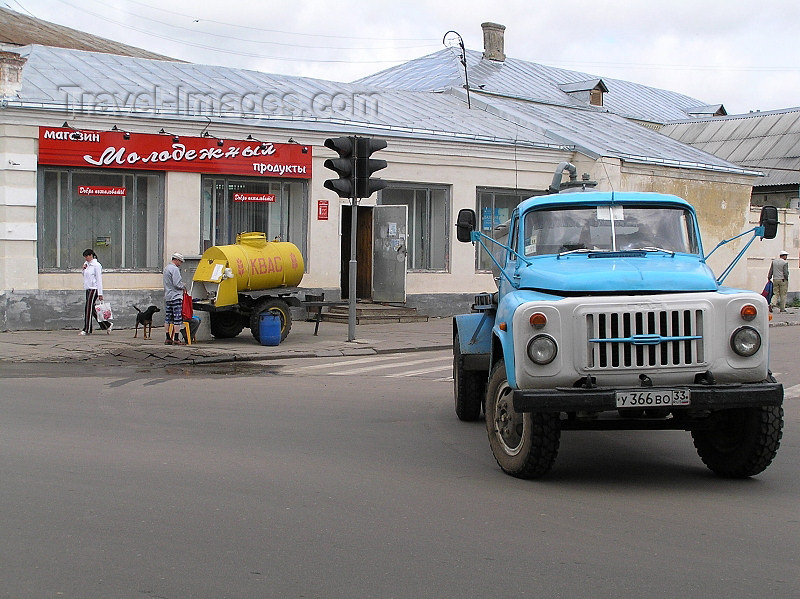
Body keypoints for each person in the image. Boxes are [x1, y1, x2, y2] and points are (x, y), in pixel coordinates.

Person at [80, 249, 111, 335]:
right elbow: (85, 276)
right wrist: (83, 269)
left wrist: (100, 293)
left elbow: (99, 279)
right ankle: (107, 324)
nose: (86, 258)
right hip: (88, 288)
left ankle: (87, 329)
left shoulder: (97, 265)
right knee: (92, 309)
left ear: (91, 255)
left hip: (94, 289)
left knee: (88, 308)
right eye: (85, 257)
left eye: (87, 256)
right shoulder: (87, 265)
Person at [163, 252, 186, 345]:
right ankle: (176, 338)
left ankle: (168, 337)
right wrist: (183, 286)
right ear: (176, 260)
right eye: (180, 261)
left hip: (168, 296)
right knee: (177, 318)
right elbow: (177, 284)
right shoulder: (175, 269)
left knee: (168, 318)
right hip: (176, 296)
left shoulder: (166, 268)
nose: (180, 263)